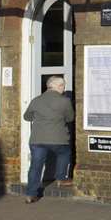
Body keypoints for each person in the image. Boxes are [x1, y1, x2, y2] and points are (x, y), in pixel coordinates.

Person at [22, 74, 75, 203]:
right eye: (63, 85)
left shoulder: (36, 100)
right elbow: (70, 118)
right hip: (58, 138)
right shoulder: (64, 101)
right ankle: (61, 178)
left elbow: (27, 117)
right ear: (58, 86)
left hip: (37, 139)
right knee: (64, 153)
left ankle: (30, 194)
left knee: (35, 166)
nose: (63, 88)